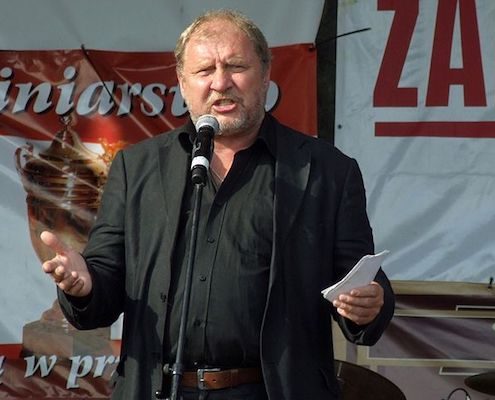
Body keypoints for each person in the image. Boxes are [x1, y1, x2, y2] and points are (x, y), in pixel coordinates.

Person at [40, 9, 395, 400]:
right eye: (205, 70)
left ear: (266, 74)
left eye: (236, 66)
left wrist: (369, 303)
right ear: (182, 82)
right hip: (159, 389)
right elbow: (104, 284)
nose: (221, 82)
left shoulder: (327, 171)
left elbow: (360, 277)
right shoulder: (137, 167)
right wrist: (84, 285)